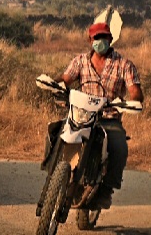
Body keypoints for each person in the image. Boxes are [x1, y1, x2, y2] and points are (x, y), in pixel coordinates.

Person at [60, 21, 144, 210]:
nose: (100, 41)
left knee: (119, 147)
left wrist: (131, 100)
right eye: (96, 37)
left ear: (110, 39)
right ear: (90, 40)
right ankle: (55, 175)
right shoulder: (80, 61)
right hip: (81, 116)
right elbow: (65, 80)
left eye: (104, 37)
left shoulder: (124, 65)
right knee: (56, 132)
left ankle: (106, 190)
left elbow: (136, 92)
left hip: (108, 118)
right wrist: (53, 84)